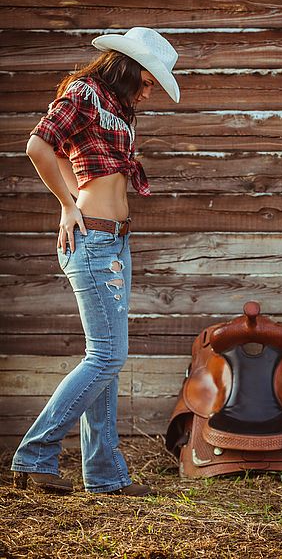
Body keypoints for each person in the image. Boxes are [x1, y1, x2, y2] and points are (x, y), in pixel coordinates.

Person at [10, 27, 180, 496]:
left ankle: (103, 476)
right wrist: (68, 205)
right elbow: (38, 145)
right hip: (95, 241)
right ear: (130, 66)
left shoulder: (118, 107)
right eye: (149, 81)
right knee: (106, 356)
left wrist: (73, 196)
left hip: (116, 241)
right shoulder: (84, 93)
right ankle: (35, 454)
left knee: (105, 362)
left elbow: (66, 154)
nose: (150, 91)